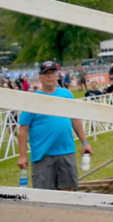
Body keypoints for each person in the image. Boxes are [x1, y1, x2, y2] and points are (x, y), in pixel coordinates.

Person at [16, 61, 91, 190]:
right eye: (46, 74)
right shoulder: (33, 100)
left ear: (57, 76)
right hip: (43, 155)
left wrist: (85, 143)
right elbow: (23, 130)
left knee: (68, 191)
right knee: (44, 195)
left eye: (52, 73)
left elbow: (75, 120)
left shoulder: (66, 95)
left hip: (66, 151)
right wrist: (22, 156)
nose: (50, 76)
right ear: (40, 77)